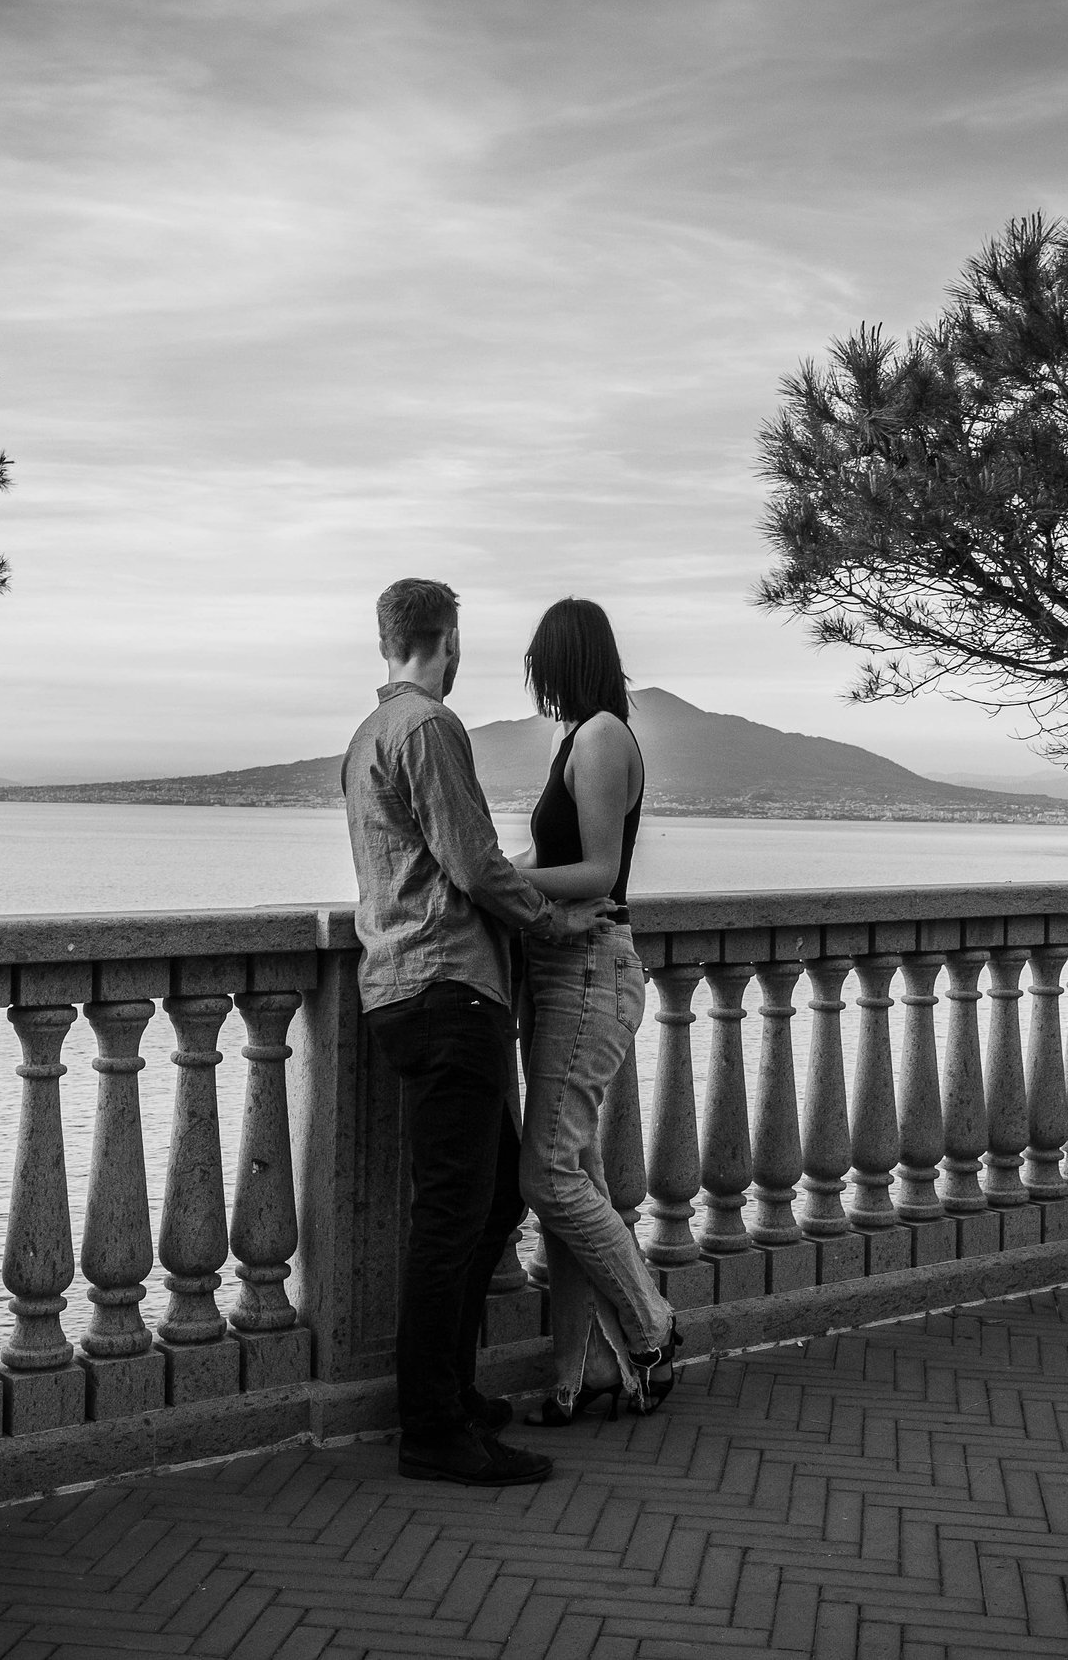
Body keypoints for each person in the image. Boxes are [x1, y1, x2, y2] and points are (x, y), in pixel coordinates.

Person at [340, 578, 616, 1486]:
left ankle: (453, 1399)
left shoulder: (366, 738)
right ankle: (433, 1427)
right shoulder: (428, 728)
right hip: (447, 993)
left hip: (406, 992)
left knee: (490, 1201)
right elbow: (472, 862)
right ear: (446, 640)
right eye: (460, 641)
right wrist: (552, 922)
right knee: (456, 1215)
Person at [509, 598, 681, 1423]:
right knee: (574, 1175)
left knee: (545, 1172)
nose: (536, 683)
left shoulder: (606, 737)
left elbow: (598, 872)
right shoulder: (575, 739)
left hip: (588, 972)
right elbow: (547, 858)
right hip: (557, 974)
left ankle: (650, 1324)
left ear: (565, 661)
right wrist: (468, 868)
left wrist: (491, 883)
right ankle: (584, 1375)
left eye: (542, 666)